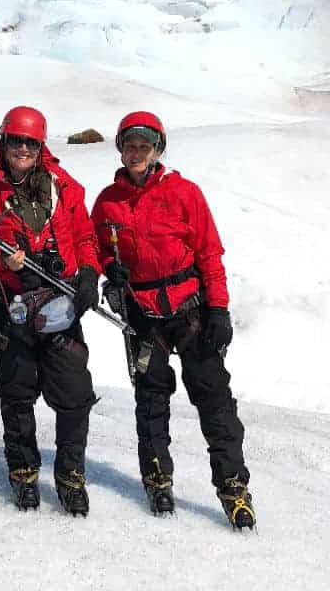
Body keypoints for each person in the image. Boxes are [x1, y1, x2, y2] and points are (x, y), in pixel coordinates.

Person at [91, 110, 255, 529]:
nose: (136, 153)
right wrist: (110, 276)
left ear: (158, 149)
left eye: (145, 146)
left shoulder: (185, 193)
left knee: (214, 400)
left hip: (190, 311)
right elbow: (98, 251)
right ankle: (157, 480)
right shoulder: (108, 201)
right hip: (143, 317)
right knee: (151, 401)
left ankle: (233, 486)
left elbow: (209, 255)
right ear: (120, 148)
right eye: (130, 145)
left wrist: (218, 308)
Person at [0, 106, 101, 516]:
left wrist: (90, 274)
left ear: (41, 147)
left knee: (74, 396)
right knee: (19, 394)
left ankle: (70, 476)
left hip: (60, 305)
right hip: (11, 307)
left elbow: (86, 237)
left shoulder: (66, 190)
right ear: (3, 143)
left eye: (30, 142)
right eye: (15, 141)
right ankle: (23, 474)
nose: (22, 148)